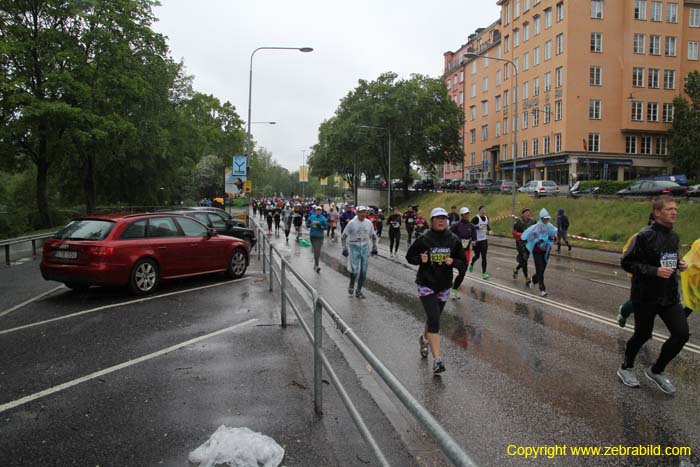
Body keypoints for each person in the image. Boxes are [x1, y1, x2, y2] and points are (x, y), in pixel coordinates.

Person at [616, 196, 689, 395]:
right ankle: (626, 367)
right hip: (645, 295)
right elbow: (627, 262)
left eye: (675, 209)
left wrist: (679, 264)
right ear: (657, 213)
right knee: (643, 335)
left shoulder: (674, 237)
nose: (674, 212)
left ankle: (656, 371)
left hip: (669, 295)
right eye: (669, 209)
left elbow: (667, 259)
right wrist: (654, 271)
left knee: (682, 334)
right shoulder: (644, 235)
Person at [406, 208, 466, 374]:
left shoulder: (453, 240)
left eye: (444, 219)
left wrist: (453, 262)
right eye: (437, 219)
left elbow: (463, 262)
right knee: (435, 320)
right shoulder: (423, 239)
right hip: (426, 284)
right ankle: (438, 360)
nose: (441, 221)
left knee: (434, 318)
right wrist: (420, 259)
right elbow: (409, 257)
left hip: (444, 285)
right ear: (431, 221)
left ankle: (424, 339)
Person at [617, 212, 656, 327]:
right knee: (638, 302)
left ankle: (644, 328)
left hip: (658, 277)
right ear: (650, 221)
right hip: (640, 275)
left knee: (653, 303)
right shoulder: (639, 236)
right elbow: (626, 254)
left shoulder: (667, 237)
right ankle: (624, 312)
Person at [341, 206, 378, 299]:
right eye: (361, 212)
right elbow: (343, 237)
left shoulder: (369, 223)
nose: (363, 214)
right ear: (357, 213)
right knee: (355, 270)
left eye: (365, 212)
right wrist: (344, 248)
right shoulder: (351, 223)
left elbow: (374, 236)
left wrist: (374, 247)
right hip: (354, 247)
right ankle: (352, 283)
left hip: (365, 247)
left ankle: (359, 291)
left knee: (364, 271)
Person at [521, 208, 558, 297]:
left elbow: (554, 235)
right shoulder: (535, 227)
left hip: (546, 251)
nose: (546, 220)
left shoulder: (550, 226)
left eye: (547, 218)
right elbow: (527, 236)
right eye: (544, 218)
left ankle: (533, 281)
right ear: (541, 218)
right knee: (539, 269)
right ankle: (542, 289)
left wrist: (553, 238)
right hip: (537, 251)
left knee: (542, 270)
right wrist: (538, 240)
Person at [449, 207, 477, 299]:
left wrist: (473, 242)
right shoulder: (456, 225)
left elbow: (474, 238)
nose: (467, 215)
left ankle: (454, 290)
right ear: (461, 215)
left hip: (466, 253)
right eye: (465, 214)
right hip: (455, 252)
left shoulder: (471, 226)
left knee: (462, 273)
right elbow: (448, 235)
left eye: (468, 214)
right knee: (447, 269)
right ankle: (444, 285)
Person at [512, 208, 536, 287]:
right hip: (520, 243)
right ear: (523, 214)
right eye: (526, 212)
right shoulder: (518, 222)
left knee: (524, 260)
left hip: (529, 243)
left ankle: (516, 269)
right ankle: (527, 278)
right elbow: (514, 232)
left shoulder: (532, 221)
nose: (528, 214)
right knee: (524, 260)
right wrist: (522, 235)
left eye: (529, 212)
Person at [469, 205, 492, 279]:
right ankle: (472, 264)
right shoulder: (476, 218)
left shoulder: (486, 218)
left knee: (484, 257)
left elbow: (487, 225)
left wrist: (490, 230)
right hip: (477, 240)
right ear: (479, 211)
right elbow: (470, 226)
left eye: (484, 210)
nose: (483, 211)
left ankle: (484, 273)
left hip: (484, 240)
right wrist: (478, 227)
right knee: (477, 256)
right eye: (482, 210)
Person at [306, 206, 329, 273]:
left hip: (319, 237)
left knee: (317, 251)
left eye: (319, 210)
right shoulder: (312, 217)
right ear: (315, 211)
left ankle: (317, 265)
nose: (318, 211)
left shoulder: (323, 218)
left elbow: (326, 227)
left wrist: (321, 226)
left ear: (321, 211)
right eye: (317, 210)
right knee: (315, 250)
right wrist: (309, 224)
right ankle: (315, 264)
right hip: (312, 236)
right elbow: (307, 223)